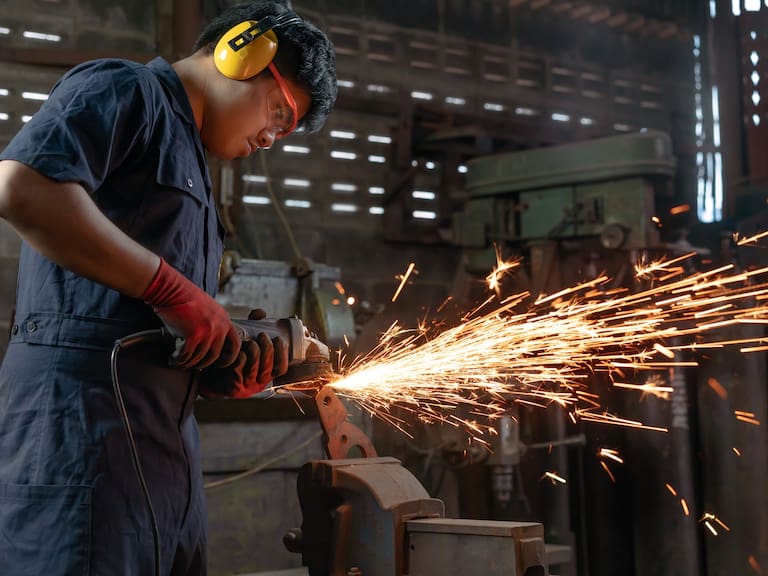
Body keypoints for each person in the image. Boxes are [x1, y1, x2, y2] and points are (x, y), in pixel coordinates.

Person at [0, 1, 336, 574]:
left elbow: (142, 318)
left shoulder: (195, 172)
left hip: (163, 459)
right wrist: (176, 293)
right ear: (243, 52)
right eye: (280, 113)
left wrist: (215, 368)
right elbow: (21, 188)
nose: (273, 137)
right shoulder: (126, 91)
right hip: (80, 437)